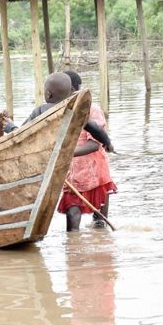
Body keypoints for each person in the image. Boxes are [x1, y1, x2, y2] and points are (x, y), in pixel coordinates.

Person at [58, 70, 117, 231]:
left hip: (94, 172)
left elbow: (95, 144)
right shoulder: (61, 110)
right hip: (72, 173)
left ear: (73, 90)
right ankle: (73, 250)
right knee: (72, 218)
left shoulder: (92, 110)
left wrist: (65, 154)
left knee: (99, 224)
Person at [1, 72, 114, 152]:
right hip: (61, 156)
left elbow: (22, 135)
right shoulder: (75, 112)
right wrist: (107, 143)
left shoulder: (41, 111)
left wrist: (11, 127)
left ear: (48, 94)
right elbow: (96, 129)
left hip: (43, 154)